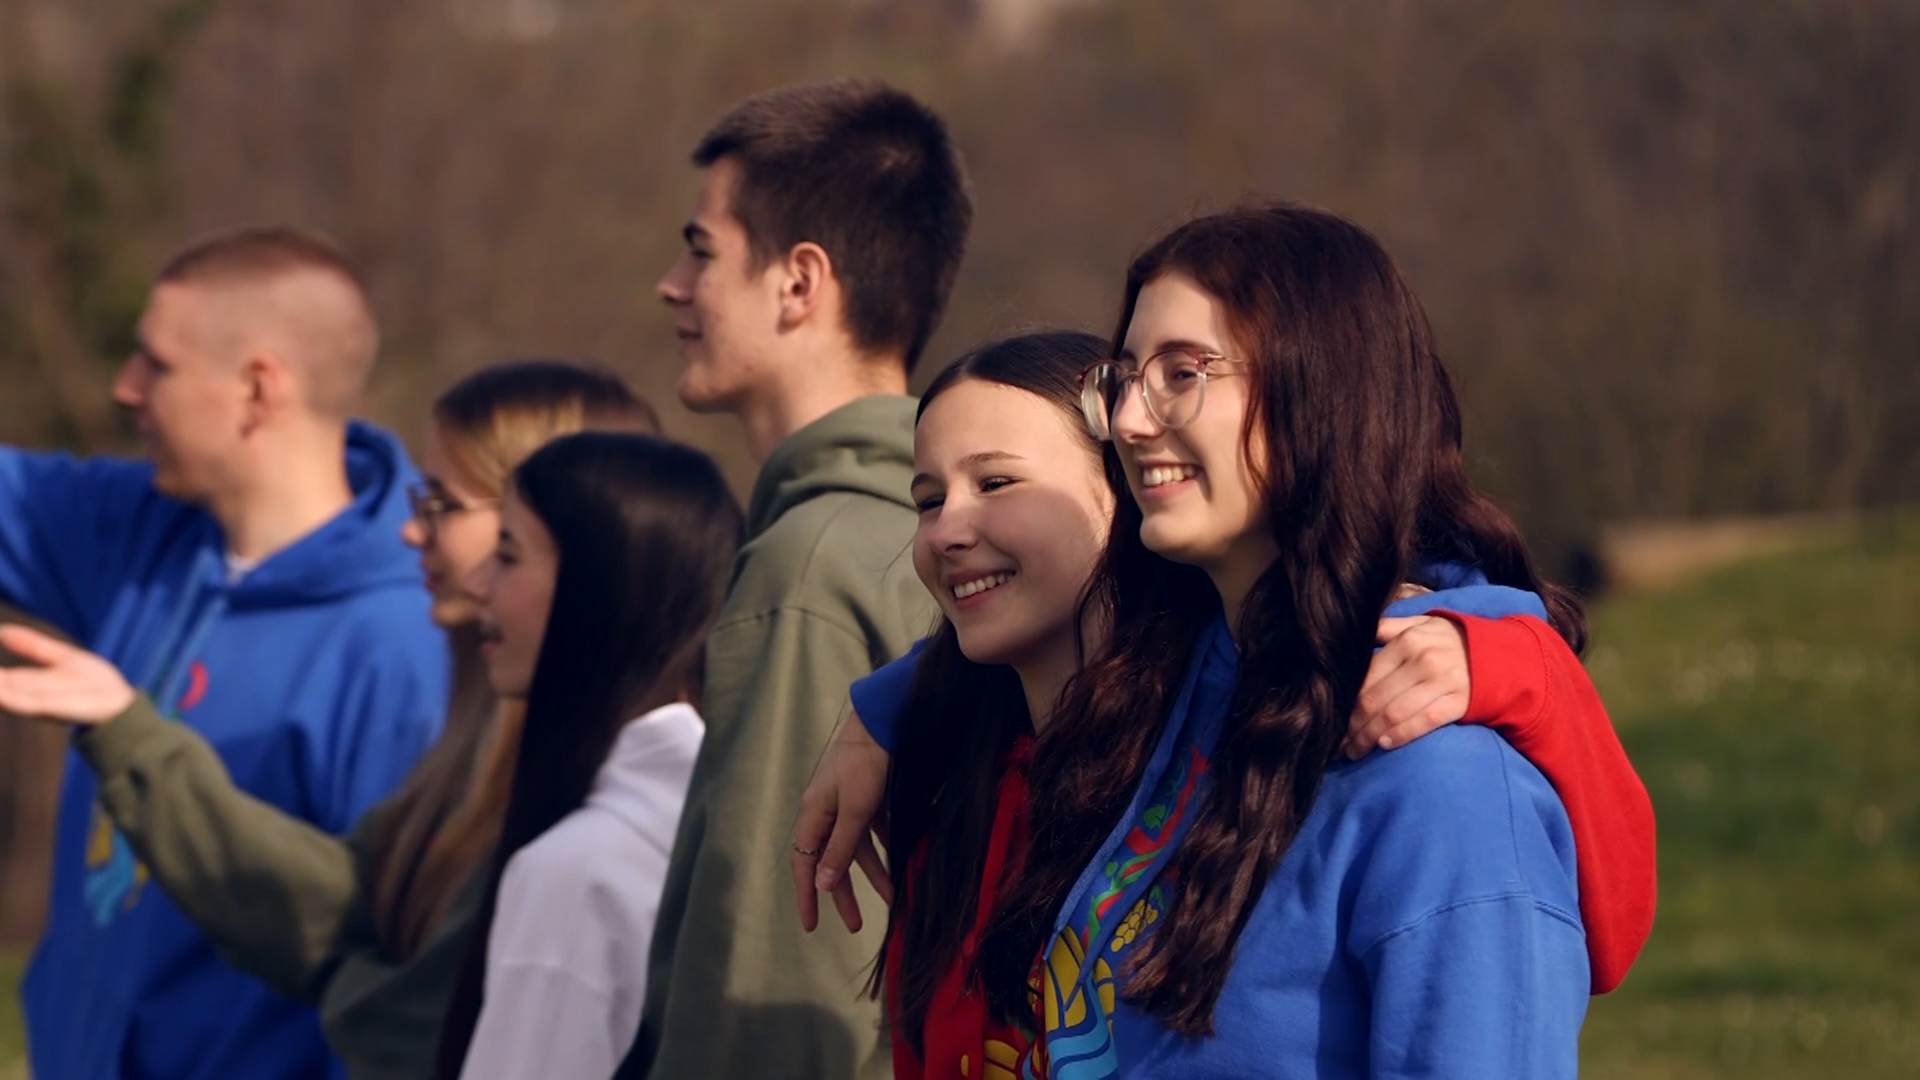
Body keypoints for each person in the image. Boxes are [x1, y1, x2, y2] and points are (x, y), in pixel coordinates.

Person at [800, 330, 1654, 1076]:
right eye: (927, 500)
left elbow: (1600, 916)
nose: (947, 528)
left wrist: (1514, 663)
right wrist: (885, 707)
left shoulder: (1252, 745)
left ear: (1134, 494)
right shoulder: (951, 772)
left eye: (996, 482)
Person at [965, 203, 1637, 1076]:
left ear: (1320, 391)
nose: (1129, 419)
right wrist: (878, 717)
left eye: (1182, 372)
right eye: (1123, 379)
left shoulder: (1446, 788)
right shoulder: (1169, 687)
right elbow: (1016, 610)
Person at [0, 360, 659, 1079]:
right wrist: (126, 733)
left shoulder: (590, 780)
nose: (411, 532)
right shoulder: (480, 724)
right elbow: (338, 905)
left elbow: (428, 1017)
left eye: (442, 503)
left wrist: (346, 989)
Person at [0, 226, 449, 1079]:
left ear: (257, 389)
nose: (125, 388)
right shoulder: (147, 531)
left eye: (157, 364)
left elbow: (383, 964)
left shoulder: (401, 642)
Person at [635, 79, 972, 1079]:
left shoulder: (812, 567)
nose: (672, 286)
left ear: (799, 282)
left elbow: (773, 983)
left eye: (702, 251)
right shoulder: (943, 538)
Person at [432, 432, 743, 1079]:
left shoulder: (577, 873)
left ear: (598, 586)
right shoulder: (723, 814)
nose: (479, 583)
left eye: (508, 555)